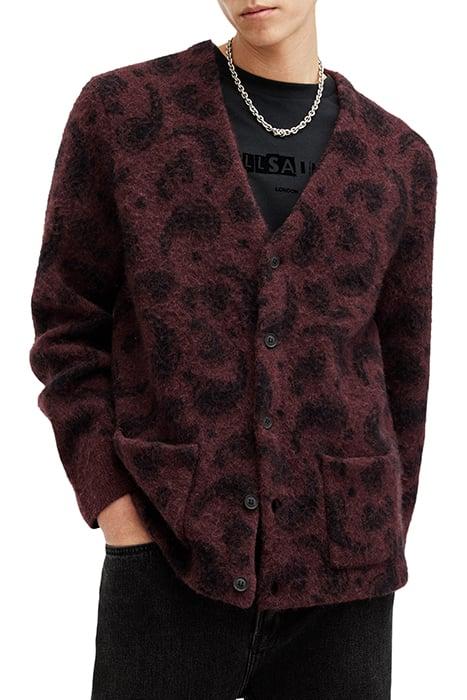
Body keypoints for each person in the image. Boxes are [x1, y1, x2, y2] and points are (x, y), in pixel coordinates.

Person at [28, 1, 438, 698]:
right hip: (169, 550)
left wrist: (379, 528)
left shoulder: (397, 157)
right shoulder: (125, 113)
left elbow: (406, 373)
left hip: (344, 582)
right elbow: (67, 324)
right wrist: (114, 504)